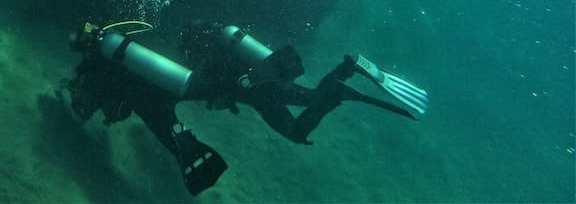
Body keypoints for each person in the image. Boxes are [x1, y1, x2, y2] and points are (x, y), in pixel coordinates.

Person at [67, 20, 428, 196]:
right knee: (307, 105)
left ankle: (342, 82)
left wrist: (186, 135)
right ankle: (343, 76)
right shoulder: (218, 53)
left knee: (296, 129)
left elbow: (167, 103)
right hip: (261, 85)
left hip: (256, 90)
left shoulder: (125, 75)